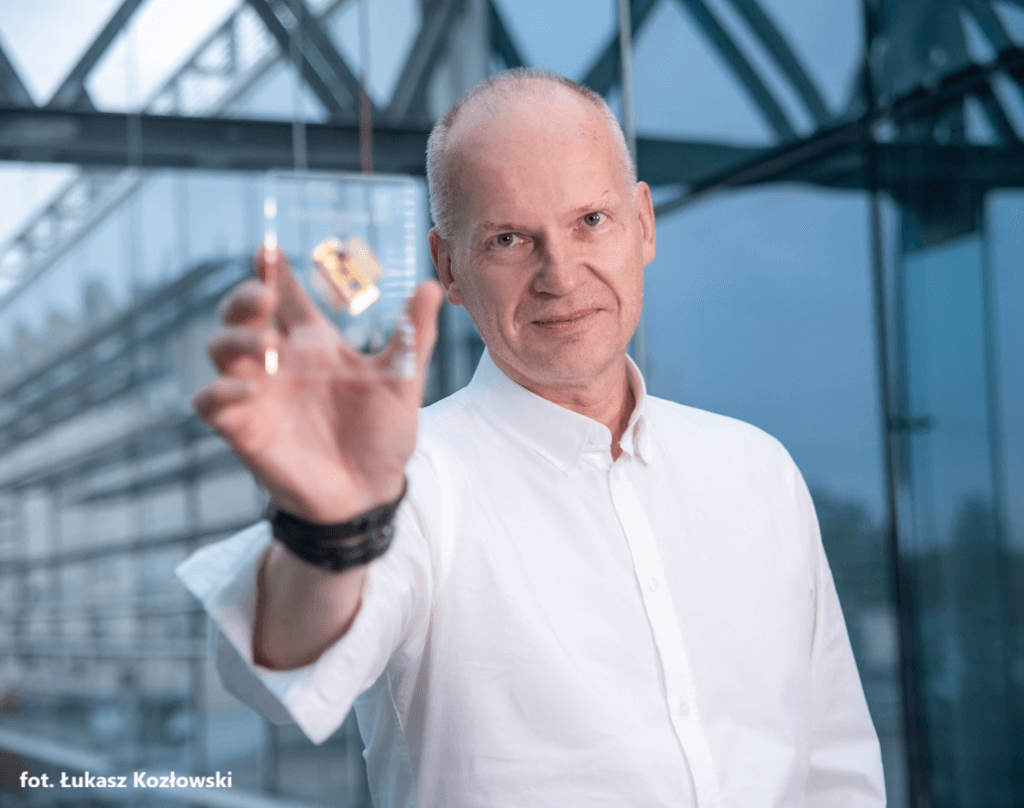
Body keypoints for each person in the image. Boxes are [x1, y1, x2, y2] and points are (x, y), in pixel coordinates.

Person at [177, 68, 886, 807]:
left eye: (591, 221)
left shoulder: (757, 470)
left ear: (643, 224)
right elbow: (275, 661)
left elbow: (835, 765)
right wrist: (330, 532)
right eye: (510, 239)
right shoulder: (408, 483)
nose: (560, 274)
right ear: (449, 267)